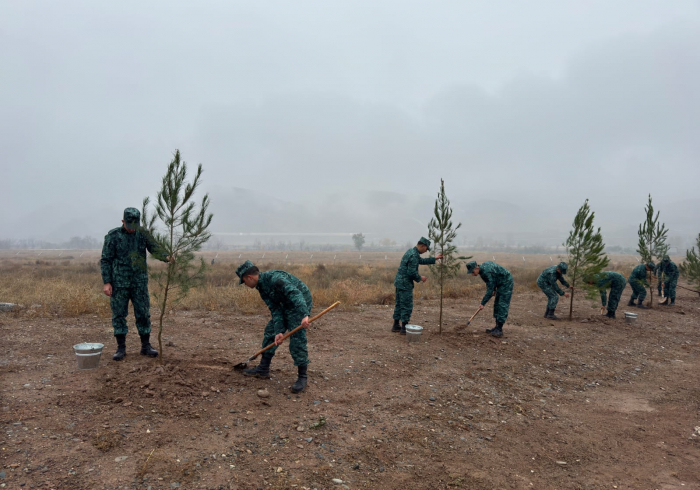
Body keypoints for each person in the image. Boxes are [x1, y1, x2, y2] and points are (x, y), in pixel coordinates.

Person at [101, 207, 173, 361]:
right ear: (123, 222)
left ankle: (146, 346)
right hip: (119, 283)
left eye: (135, 224)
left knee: (143, 313)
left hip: (139, 282)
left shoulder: (143, 234)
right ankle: (121, 348)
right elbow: (106, 259)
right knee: (119, 315)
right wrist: (107, 282)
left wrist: (166, 256)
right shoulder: (113, 236)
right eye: (129, 224)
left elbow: (154, 248)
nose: (132, 228)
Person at [236, 260, 312, 393]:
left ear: (249, 277)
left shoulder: (276, 279)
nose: (245, 285)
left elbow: (296, 294)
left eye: (244, 282)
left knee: (296, 338)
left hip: (299, 304)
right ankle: (263, 368)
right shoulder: (262, 287)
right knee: (270, 332)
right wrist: (279, 331)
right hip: (285, 305)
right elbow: (275, 309)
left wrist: (304, 314)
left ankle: (302, 377)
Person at [392, 237, 443, 334]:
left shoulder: (411, 251)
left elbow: (421, 261)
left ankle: (396, 325)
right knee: (406, 305)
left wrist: (434, 259)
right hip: (405, 284)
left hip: (399, 282)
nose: (426, 251)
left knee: (399, 303)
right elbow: (411, 272)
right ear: (422, 246)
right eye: (426, 249)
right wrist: (420, 278)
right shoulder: (414, 255)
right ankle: (404, 328)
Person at [466, 260, 513, 338]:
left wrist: (483, 303)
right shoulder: (482, 270)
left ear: (477, 268)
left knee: (502, 304)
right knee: (497, 303)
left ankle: (499, 329)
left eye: (472, 272)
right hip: (500, 283)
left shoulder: (485, 272)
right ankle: (496, 327)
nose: (472, 274)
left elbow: (489, 290)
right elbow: (492, 280)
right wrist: (494, 289)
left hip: (506, 282)